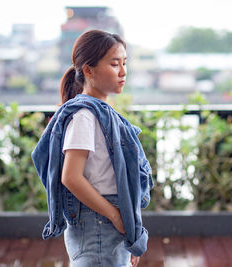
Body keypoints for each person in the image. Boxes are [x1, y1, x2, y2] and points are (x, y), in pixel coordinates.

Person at [31, 29, 153, 267]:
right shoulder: (85, 116)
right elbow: (71, 177)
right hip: (97, 222)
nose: (123, 71)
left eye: (124, 63)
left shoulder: (98, 113)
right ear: (88, 70)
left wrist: (128, 226)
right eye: (114, 63)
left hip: (104, 222)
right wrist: (116, 216)